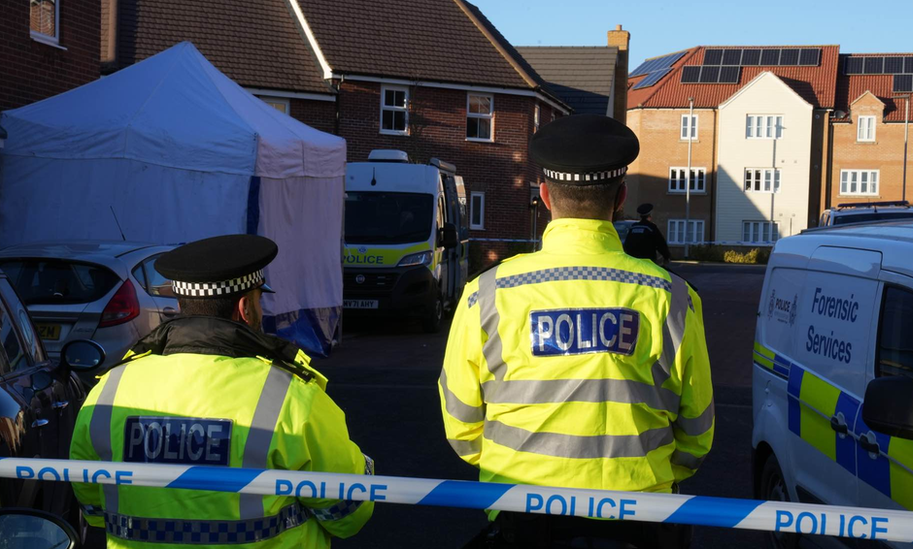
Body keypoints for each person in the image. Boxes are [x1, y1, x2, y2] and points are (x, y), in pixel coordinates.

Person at [439, 115, 713, 549]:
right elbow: (697, 431)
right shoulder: (672, 297)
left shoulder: (486, 294)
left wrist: (512, 467)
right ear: (620, 197)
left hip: (521, 515)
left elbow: (461, 425)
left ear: (545, 196)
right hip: (640, 517)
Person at [70, 235, 373, 548]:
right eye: (258, 299)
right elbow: (349, 513)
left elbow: (94, 508)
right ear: (245, 307)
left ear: (180, 305)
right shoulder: (290, 396)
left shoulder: (110, 390)